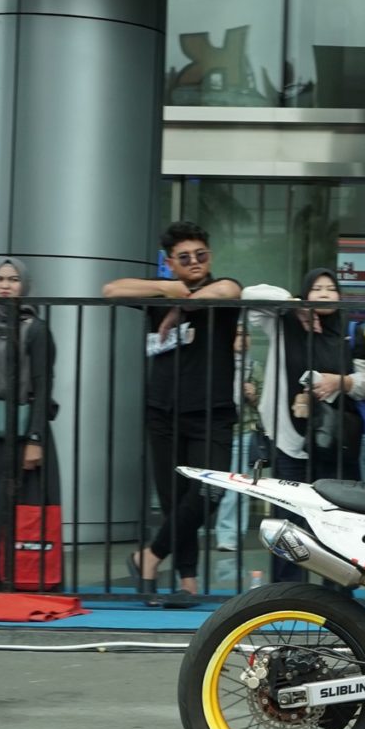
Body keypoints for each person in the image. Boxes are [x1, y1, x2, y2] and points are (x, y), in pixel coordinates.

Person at [105, 222, 244, 606]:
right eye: (184, 258)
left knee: (210, 491)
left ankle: (148, 557)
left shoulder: (224, 287)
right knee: (174, 500)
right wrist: (168, 290)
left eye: (201, 255)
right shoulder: (160, 292)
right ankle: (188, 583)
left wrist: (182, 303)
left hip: (212, 412)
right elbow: (112, 290)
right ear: (170, 263)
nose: (195, 262)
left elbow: (227, 291)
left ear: (210, 256)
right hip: (163, 411)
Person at [242, 269, 365, 580]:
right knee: (289, 523)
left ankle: (337, 591)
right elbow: (250, 294)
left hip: (335, 444)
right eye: (316, 289)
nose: (324, 293)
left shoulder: (350, 331)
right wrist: (295, 305)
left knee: (338, 523)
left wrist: (339, 382)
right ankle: (288, 593)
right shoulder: (283, 322)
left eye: (330, 288)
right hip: (291, 441)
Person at [0, 260, 59, 590]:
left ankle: (27, 578)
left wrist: (35, 438)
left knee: (28, 506)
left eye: (13, 279)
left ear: (25, 285)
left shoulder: (35, 328)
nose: (5, 285)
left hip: (24, 430)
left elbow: (43, 385)